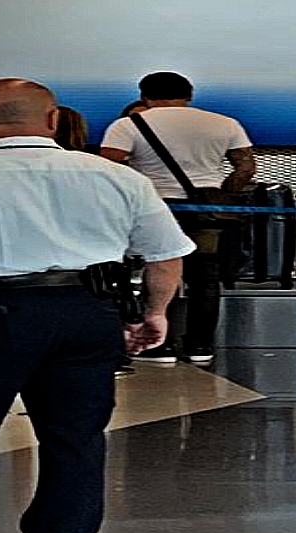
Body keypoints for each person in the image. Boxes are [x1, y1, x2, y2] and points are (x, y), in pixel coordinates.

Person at [0, 78, 194, 533]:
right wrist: (154, 313)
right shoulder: (116, 177)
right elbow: (165, 254)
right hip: (88, 313)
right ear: (54, 119)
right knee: (76, 435)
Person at [100, 71, 256, 364]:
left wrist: (137, 189)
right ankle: (201, 346)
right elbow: (246, 168)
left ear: (144, 95)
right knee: (205, 276)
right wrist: (222, 194)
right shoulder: (225, 123)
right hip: (206, 211)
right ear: (190, 94)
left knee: (158, 270)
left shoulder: (128, 125)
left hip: (155, 208)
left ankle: (159, 346)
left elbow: (108, 168)